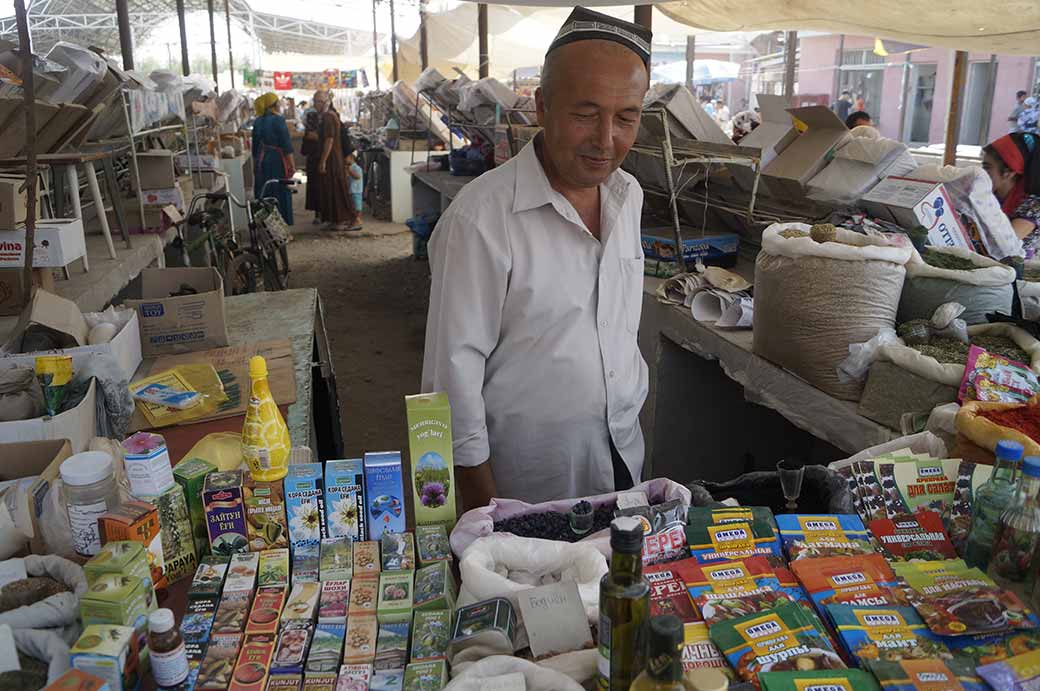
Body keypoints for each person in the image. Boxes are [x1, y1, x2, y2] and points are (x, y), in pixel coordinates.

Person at [422, 6, 651, 508]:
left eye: (626, 117)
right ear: (542, 107)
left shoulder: (627, 196)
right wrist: (485, 516)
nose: (606, 139)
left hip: (620, 460)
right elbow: (449, 385)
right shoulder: (481, 219)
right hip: (522, 488)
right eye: (586, 114)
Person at [983, 132, 1040, 256]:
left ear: (1008, 173)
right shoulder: (989, 196)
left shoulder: (1033, 207)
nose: (981, 173)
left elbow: (1002, 244)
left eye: (987, 168)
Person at [313, 91, 358, 231]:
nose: (315, 105)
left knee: (338, 189)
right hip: (333, 157)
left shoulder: (329, 117)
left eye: (317, 101)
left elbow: (329, 139)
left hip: (333, 158)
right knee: (332, 189)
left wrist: (323, 161)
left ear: (325, 102)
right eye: (315, 101)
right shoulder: (327, 116)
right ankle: (335, 219)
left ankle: (350, 219)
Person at [251, 93, 294, 225]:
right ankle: (281, 226)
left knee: (264, 190)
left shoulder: (257, 121)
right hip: (277, 160)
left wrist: (256, 163)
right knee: (279, 190)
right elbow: (286, 145)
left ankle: (266, 225)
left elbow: (254, 148)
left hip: (262, 161)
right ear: (274, 105)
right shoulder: (278, 120)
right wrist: (291, 165)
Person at [301, 101, 323, 225]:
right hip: (324, 162)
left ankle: (317, 215)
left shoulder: (308, 134)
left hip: (312, 163)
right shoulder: (322, 132)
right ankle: (324, 214)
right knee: (322, 188)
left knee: (314, 189)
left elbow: (303, 151)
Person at [346, 150, 364, 229]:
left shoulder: (356, 168)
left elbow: (357, 177)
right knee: (352, 206)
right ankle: (353, 220)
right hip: (351, 190)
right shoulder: (349, 167)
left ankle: (357, 220)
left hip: (356, 190)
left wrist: (349, 171)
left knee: (357, 207)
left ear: (351, 158)